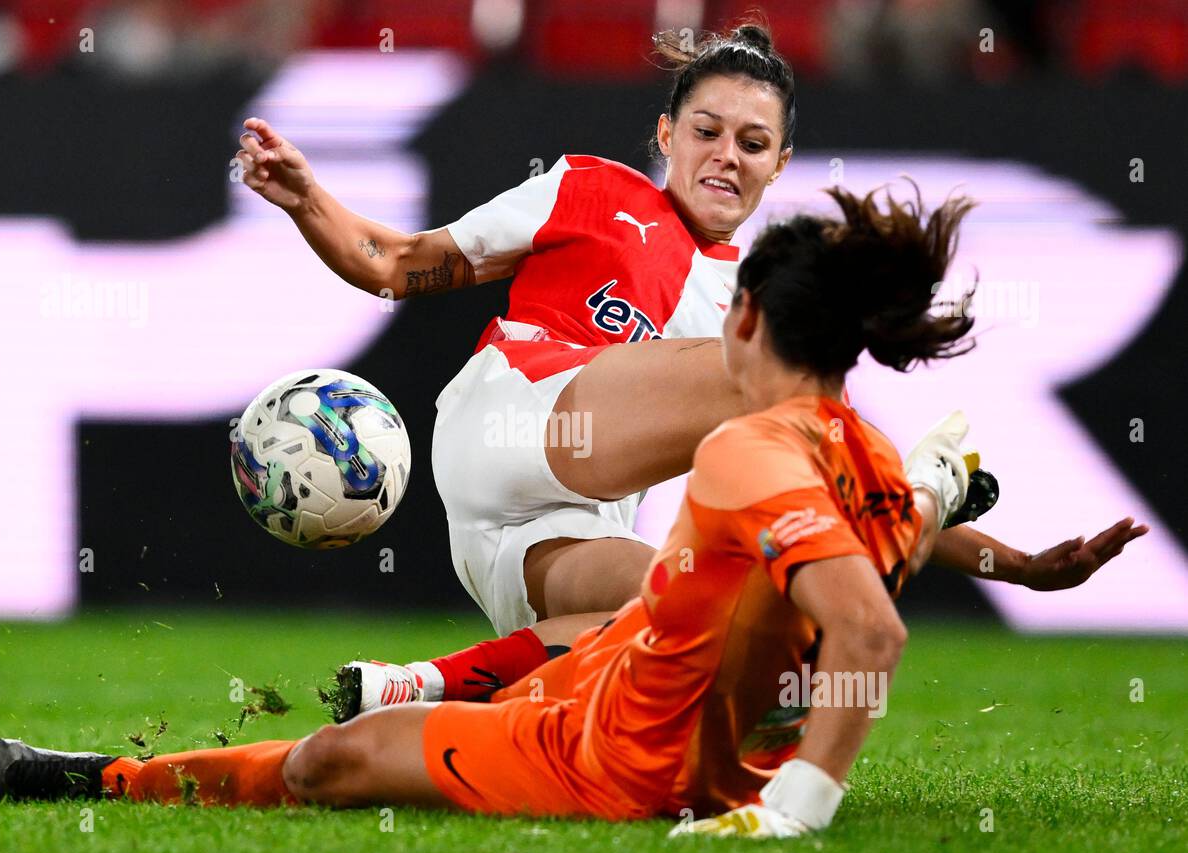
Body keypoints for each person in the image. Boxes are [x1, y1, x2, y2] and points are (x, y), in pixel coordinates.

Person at [0, 185, 1148, 836]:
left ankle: (102, 779)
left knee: (329, 764)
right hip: (678, 707)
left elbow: (867, 630)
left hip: (613, 753)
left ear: (741, 327)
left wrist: (796, 809)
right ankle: (439, 678)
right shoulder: (861, 453)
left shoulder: (739, 454)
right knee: (653, 596)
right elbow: (869, 582)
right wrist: (999, 552)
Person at [233, 23, 1145, 720]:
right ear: (666, 133)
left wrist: (1018, 566)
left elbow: (838, 487)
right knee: (782, 390)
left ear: (779, 165)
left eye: (753, 144)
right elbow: (398, 265)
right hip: (507, 425)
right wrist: (308, 197)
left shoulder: (750, 304)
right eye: (707, 130)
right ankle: (921, 464)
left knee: (731, 630)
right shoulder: (591, 190)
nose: (726, 155)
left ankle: (423, 689)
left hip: (532, 551)